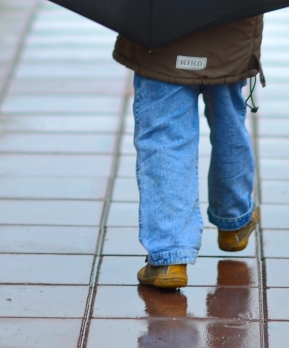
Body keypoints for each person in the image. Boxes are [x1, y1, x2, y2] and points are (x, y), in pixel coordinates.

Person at [112, 16, 264, 289]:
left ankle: (169, 258)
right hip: (231, 39)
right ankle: (234, 222)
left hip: (159, 41)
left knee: (165, 139)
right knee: (229, 123)